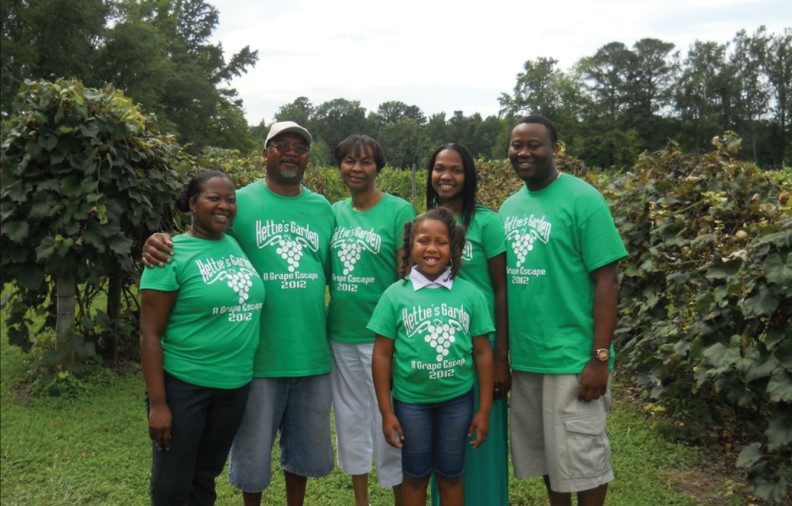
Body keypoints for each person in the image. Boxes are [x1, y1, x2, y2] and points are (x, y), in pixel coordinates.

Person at [141, 121, 335, 506]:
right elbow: (199, 239)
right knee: (235, 464)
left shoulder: (321, 209)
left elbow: (330, 270)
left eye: (300, 146)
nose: (291, 152)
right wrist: (156, 241)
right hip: (240, 365)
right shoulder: (241, 203)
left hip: (282, 361)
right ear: (265, 153)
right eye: (281, 144)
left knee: (213, 471)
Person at [499, 115, 628, 506]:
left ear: (554, 150)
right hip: (527, 359)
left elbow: (607, 282)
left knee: (585, 457)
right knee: (548, 457)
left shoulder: (583, 199)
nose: (524, 152)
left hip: (572, 358)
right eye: (516, 144)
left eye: (534, 144)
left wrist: (599, 358)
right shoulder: (509, 208)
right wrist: (504, 356)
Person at [139, 170, 266, 505]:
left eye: (230, 199)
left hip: (234, 387)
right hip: (185, 387)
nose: (224, 206)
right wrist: (158, 404)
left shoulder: (234, 244)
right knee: (171, 487)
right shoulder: (169, 254)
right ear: (193, 204)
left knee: (204, 477)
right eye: (214, 198)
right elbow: (150, 334)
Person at [369, 207, 495, 506]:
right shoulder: (394, 296)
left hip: (457, 401)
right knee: (414, 476)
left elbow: (482, 353)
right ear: (410, 247)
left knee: (451, 475)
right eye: (423, 240)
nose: (431, 248)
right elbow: (382, 355)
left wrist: (484, 410)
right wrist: (387, 413)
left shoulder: (470, 295)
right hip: (411, 403)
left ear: (454, 247)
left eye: (441, 242)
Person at [327, 135, 414, 506]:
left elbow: (407, 277)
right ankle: (360, 499)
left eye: (365, 162)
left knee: (389, 419)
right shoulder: (333, 212)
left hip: (382, 337)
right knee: (350, 421)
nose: (356, 168)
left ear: (379, 167)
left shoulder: (399, 211)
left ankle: (399, 496)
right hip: (341, 332)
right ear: (340, 166)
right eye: (349, 161)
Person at [425, 143, 509, 505]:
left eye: (455, 169)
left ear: (468, 175)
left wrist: (502, 355)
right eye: (440, 168)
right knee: (443, 437)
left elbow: (502, 291)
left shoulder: (487, 223)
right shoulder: (427, 221)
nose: (446, 176)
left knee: (480, 435)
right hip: (439, 346)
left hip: (480, 348)